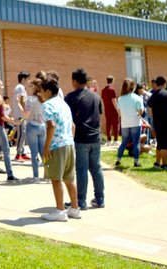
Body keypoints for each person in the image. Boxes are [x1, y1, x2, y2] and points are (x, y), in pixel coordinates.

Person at [39, 78, 81, 222]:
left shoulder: (47, 105)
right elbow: (73, 126)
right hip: (69, 144)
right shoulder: (64, 104)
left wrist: (46, 147)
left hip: (56, 146)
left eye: (41, 91)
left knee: (56, 178)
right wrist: (69, 140)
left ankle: (60, 210)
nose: (40, 94)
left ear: (48, 91)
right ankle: (75, 209)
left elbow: (51, 125)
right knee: (69, 178)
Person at [64, 68, 105, 210]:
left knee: (81, 169)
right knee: (96, 168)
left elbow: (68, 119)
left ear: (74, 81)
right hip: (95, 136)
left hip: (80, 137)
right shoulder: (96, 96)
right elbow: (99, 115)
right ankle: (100, 199)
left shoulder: (70, 97)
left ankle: (80, 200)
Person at [148, 76, 167, 171]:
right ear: (165, 83)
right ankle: (164, 164)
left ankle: (157, 162)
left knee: (159, 143)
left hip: (157, 122)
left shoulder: (153, 96)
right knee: (165, 144)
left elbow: (150, 112)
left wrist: (154, 123)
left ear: (156, 84)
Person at [115, 78, 144, 168]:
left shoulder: (120, 99)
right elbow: (140, 111)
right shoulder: (137, 98)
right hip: (135, 122)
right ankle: (136, 162)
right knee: (136, 143)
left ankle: (118, 160)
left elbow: (119, 112)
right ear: (133, 86)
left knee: (123, 143)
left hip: (125, 123)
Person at [23, 74, 47, 181]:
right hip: (42, 125)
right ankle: (47, 175)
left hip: (32, 125)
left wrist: (20, 104)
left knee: (34, 152)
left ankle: (36, 176)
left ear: (34, 87)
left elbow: (26, 115)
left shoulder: (30, 99)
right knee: (43, 152)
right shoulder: (44, 99)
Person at [12, 71, 30, 161]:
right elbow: (22, 100)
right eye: (27, 79)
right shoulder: (21, 87)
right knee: (22, 133)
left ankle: (22, 152)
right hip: (20, 114)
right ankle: (18, 153)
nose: (28, 81)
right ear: (23, 79)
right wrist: (25, 112)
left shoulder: (19, 87)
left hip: (20, 113)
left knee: (23, 133)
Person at [101, 76, 119, 146]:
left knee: (108, 125)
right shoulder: (112, 90)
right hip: (113, 110)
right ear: (113, 80)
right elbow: (114, 101)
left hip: (107, 110)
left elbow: (103, 101)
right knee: (115, 125)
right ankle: (115, 140)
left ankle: (108, 141)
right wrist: (118, 110)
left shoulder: (103, 90)